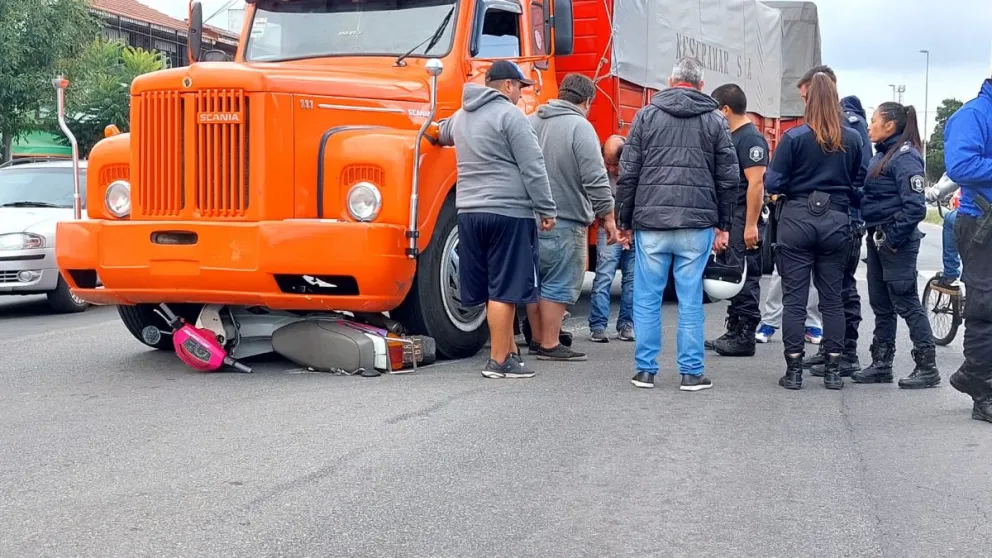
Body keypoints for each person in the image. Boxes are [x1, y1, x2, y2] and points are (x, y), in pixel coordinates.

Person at [615, 57, 737, 391]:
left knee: (646, 298)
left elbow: (629, 173)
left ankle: (645, 370)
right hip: (697, 224)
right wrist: (723, 225)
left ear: (671, 81)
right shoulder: (715, 120)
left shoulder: (646, 115)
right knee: (690, 300)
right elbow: (728, 177)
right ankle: (691, 373)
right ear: (701, 84)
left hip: (651, 223)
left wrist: (623, 221)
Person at [434, 60, 557, 379]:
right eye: (519, 87)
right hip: (508, 212)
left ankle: (509, 353)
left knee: (492, 289)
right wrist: (546, 209)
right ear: (506, 86)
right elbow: (533, 166)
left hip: (469, 213)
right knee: (505, 289)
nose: (521, 94)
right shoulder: (510, 116)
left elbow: (438, 133)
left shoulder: (461, 116)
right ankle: (499, 360)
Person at [763, 72, 864, 391]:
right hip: (836, 220)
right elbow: (859, 183)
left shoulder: (794, 138)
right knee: (832, 298)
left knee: (795, 299)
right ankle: (834, 369)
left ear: (809, 101)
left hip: (797, 219)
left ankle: (793, 370)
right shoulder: (853, 139)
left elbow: (773, 182)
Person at [526, 73, 618, 361]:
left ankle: (538, 338)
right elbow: (594, 177)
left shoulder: (531, 121)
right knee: (558, 284)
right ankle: (551, 344)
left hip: (528, 217)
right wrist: (608, 216)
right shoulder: (580, 127)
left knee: (535, 282)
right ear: (587, 101)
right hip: (565, 218)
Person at [851, 102, 940, 388]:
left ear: (890, 125)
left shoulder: (905, 157)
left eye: (874, 120)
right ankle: (881, 363)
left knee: (906, 302)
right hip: (878, 237)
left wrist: (891, 241)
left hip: (894, 241)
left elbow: (915, 208)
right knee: (881, 304)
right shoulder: (883, 155)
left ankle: (927, 366)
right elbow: (873, 195)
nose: (869, 125)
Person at [795, 66, 870, 377]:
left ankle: (847, 351)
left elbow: (860, 177)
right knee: (830, 289)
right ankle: (831, 347)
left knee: (841, 289)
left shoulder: (849, 127)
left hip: (845, 218)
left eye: (806, 97)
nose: (804, 104)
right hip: (828, 217)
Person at [705, 83, 768, 357]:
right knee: (733, 271)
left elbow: (756, 185)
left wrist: (751, 225)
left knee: (746, 273)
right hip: (734, 215)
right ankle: (734, 329)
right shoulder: (732, 136)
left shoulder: (750, 139)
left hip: (746, 215)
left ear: (725, 109)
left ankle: (745, 335)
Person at [944, 76, 992, 423]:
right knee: (985, 307)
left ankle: (972, 375)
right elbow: (960, 166)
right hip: (980, 225)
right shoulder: (973, 115)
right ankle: (982, 390)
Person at [588, 135, 636, 343]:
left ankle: (626, 324)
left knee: (632, 281)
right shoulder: (600, 173)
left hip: (633, 230)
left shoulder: (636, 170)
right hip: (608, 230)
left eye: (613, 164)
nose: (609, 168)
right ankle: (598, 325)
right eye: (606, 162)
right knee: (603, 277)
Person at [925, 173, 962, 289]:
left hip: (979, 215)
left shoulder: (971, 156)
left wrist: (929, 195)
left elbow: (950, 179)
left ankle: (951, 274)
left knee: (949, 219)